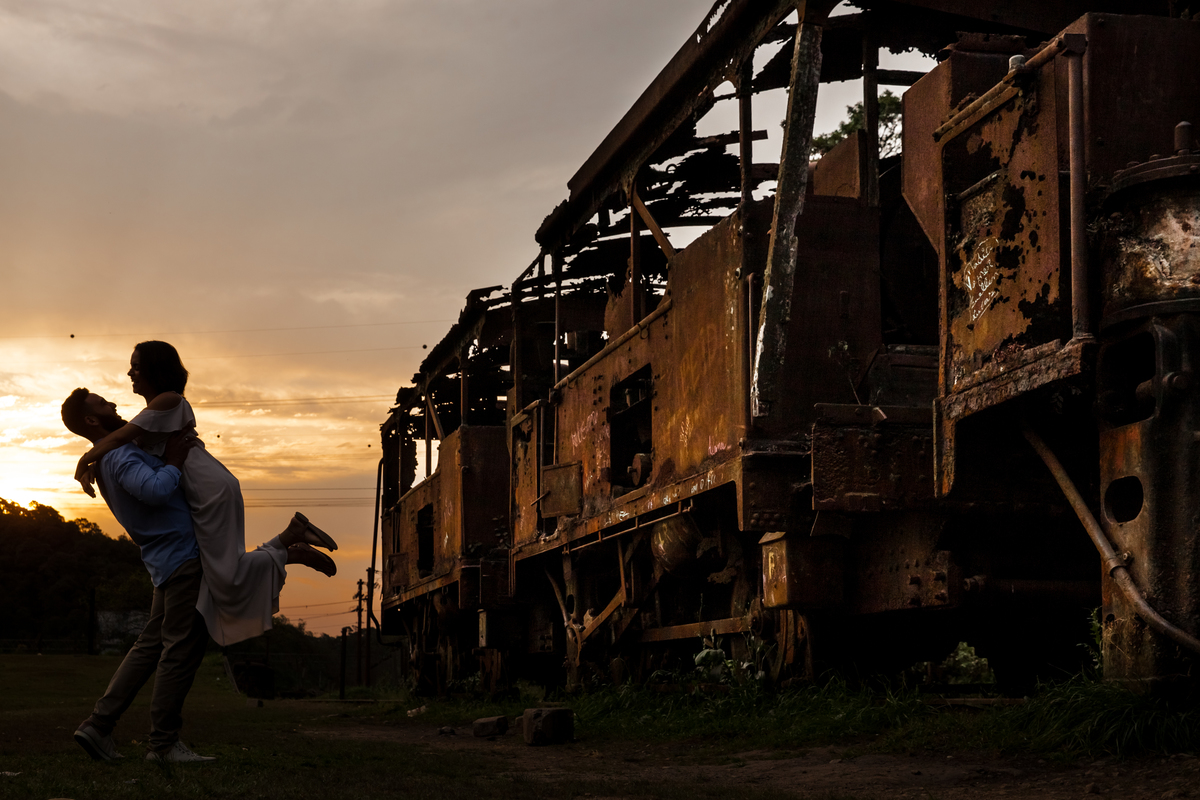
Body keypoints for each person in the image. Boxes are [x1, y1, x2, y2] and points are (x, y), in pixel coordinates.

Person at [72, 341, 339, 646]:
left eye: (135, 366)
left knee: (225, 576)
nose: (129, 372)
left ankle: (290, 550)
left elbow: (117, 438)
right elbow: (120, 444)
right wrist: (93, 463)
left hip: (209, 489)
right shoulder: (148, 415)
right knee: (223, 572)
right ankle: (290, 538)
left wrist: (83, 461)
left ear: (154, 369)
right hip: (205, 487)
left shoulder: (169, 401)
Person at [61, 388, 214, 762]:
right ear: (92, 420)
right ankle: (163, 744)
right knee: (180, 650)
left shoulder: (111, 454)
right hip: (181, 556)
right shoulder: (119, 455)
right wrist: (174, 460)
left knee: (150, 646)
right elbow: (155, 490)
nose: (113, 404)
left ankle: (99, 725)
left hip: (165, 560)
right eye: (102, 403)